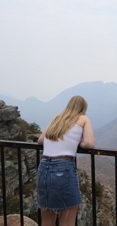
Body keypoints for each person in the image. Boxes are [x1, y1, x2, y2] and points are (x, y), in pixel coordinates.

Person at [37, 95, 95, 226]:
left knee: (47, 221)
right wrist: (80, 143)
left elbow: (40, 140)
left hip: (43, 167)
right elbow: (90, 143)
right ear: (83, 108)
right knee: (67, 219)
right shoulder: (83, 118)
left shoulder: (57, 118)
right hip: (63, 169)